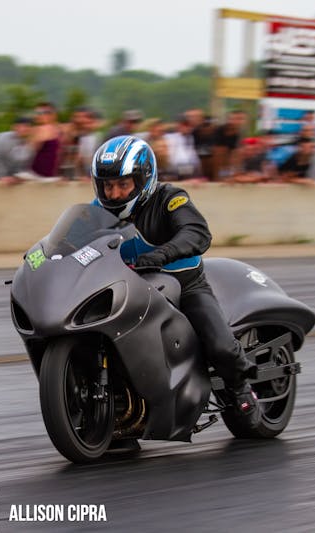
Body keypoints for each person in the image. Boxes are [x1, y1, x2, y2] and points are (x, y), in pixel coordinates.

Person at [90, 135, 260, 425]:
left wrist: (161, 254)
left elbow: (197, 233)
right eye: (108, 185)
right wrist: (45, 258)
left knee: (219, 346)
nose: (114, 193)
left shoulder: (170, 199)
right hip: (127, 287)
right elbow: (71, 241)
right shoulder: (97, 210)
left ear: (143, 180)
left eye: (123, 184)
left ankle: (240, 388)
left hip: (183, 286)